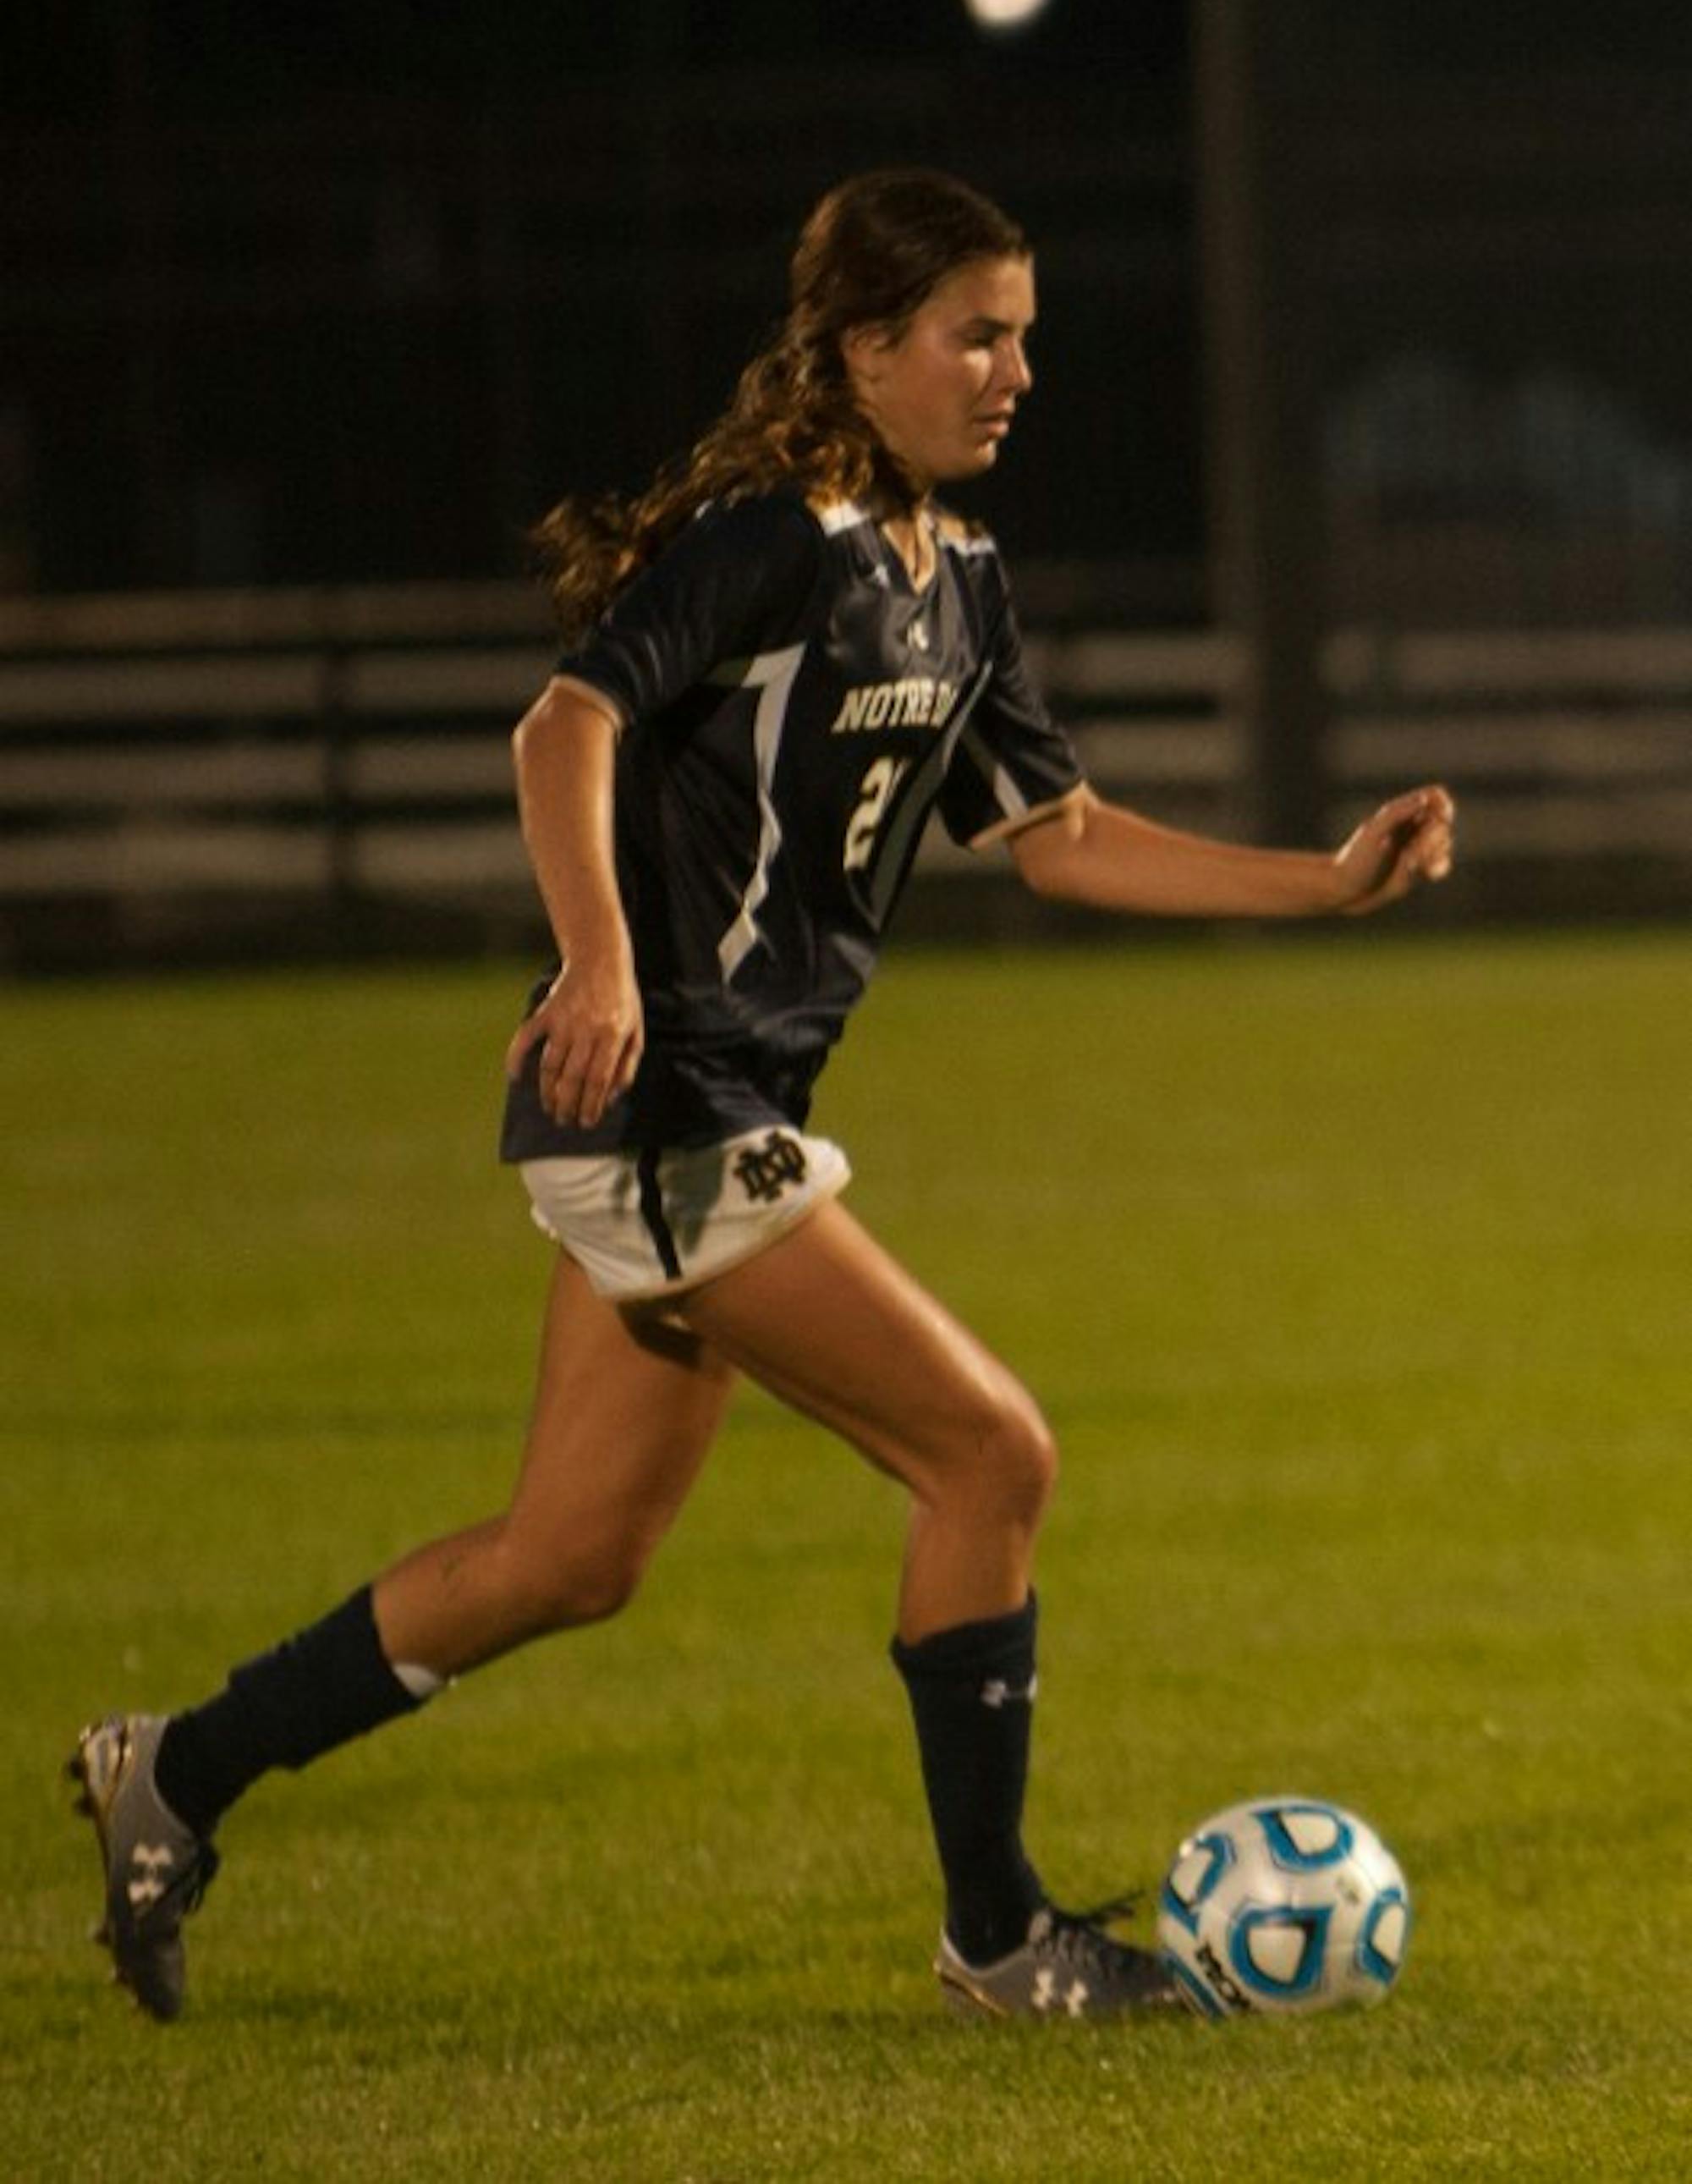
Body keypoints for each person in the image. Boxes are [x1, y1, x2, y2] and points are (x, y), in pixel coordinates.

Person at [69, 168, 1454, 2025]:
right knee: (992, 1456)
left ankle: (174, 1770)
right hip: (670, 1110)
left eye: (1023, 337)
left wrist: (1324, 883)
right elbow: (564, 722)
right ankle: (998, 1940)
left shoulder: (958, 581)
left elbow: (1060, 835)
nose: (1014, 372)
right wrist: (598, 959)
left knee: (567, 1559)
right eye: (975, 335)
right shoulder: (774, 541)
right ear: (865, 348)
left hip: (709, 1120)